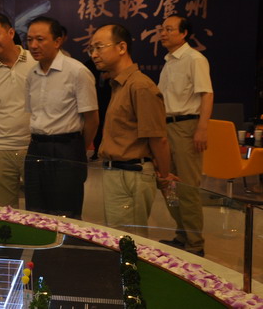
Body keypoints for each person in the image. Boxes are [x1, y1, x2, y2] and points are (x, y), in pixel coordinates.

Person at [90, 24, 176, 236]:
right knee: (118, 237)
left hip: (131, 173)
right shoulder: (119, 84)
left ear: (121, 47)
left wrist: (164, 177)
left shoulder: (140, 86)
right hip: (117, 172)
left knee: (130, 240)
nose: (94, 54)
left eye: (99, 47)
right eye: (92, 49)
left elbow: (158, 139)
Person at [24, 16, 99, 218]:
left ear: (57, 41)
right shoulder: (32, 74)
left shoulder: (77, 71)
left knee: (66, 213)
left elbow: (92, 119)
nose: (33, 45)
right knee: (35, 211)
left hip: (67, 148)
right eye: (29, 40)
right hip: (36, 147)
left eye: (40, 39)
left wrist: (77, 148)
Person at [158, 15, 213, 257]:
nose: (163, 33)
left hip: (186, 127)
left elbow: (206, 94)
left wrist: (202, 128)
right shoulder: (168, 62)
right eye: (162, 29)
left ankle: (195, 244)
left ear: (183, 34)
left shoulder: (194, 59)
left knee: (187, 187)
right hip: (166, 127)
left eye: (169, 29)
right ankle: (181, 234)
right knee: (168, 184)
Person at [0, 12, 36, 208]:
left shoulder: (35, 63)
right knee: (4, 210)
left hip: (32, 145)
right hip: (0, 147)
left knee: (39, 209)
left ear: (11, 33)